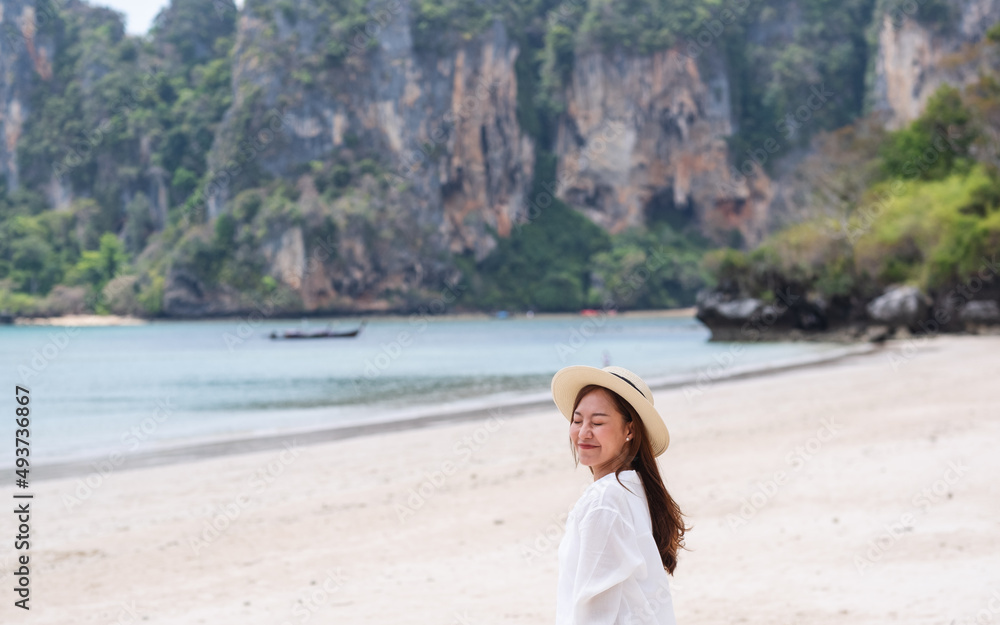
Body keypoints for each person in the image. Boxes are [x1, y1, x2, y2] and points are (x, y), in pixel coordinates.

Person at [551, 365, 689, 624]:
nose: (583, 433)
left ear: (630, 430)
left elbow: (594, 610)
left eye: (598, 422)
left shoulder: (604, 501)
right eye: (577, 420)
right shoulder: (635, 486)